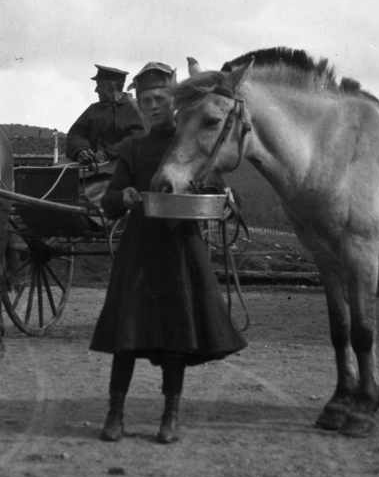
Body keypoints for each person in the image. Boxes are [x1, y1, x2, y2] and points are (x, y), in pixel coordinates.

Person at [90, 61, 247, 444]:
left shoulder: (188, 143)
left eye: (161, 98)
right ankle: (115, 414)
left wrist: (227, 201)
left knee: (177, 337)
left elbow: (219, 191)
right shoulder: (133, 148)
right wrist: (123, 197)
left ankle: (170, 417)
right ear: (139, 105)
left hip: (181, 251)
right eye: (146, 100)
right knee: (127, 336)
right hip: (140, 252)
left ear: (174, 102)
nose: (154, 106)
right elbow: (109, 200)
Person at [65, 65, 145, 165]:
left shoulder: (137, 108)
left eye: (99, 85)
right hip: (90, 168)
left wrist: (109, 153)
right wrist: (80, 150)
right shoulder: (93, 109)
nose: (96, 90)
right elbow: (76, 134)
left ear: (111, 87)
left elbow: (139, 137)